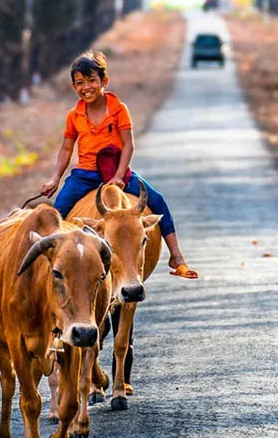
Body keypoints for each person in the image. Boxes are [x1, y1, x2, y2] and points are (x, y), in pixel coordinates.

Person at [39, 50, 198, 279]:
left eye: (92, 80)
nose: (86, 87)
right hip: (84, 174)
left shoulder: (118, 109)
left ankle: (176, 256)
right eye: (79, 83)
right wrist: (55, 178)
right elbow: (66, 149)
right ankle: (49, 267)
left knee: (158, 201)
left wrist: (119, 175)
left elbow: (128, 145)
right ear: (74, 87)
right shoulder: (74, 116)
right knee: (57, 213)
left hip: (116, 172)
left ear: (104, 81)